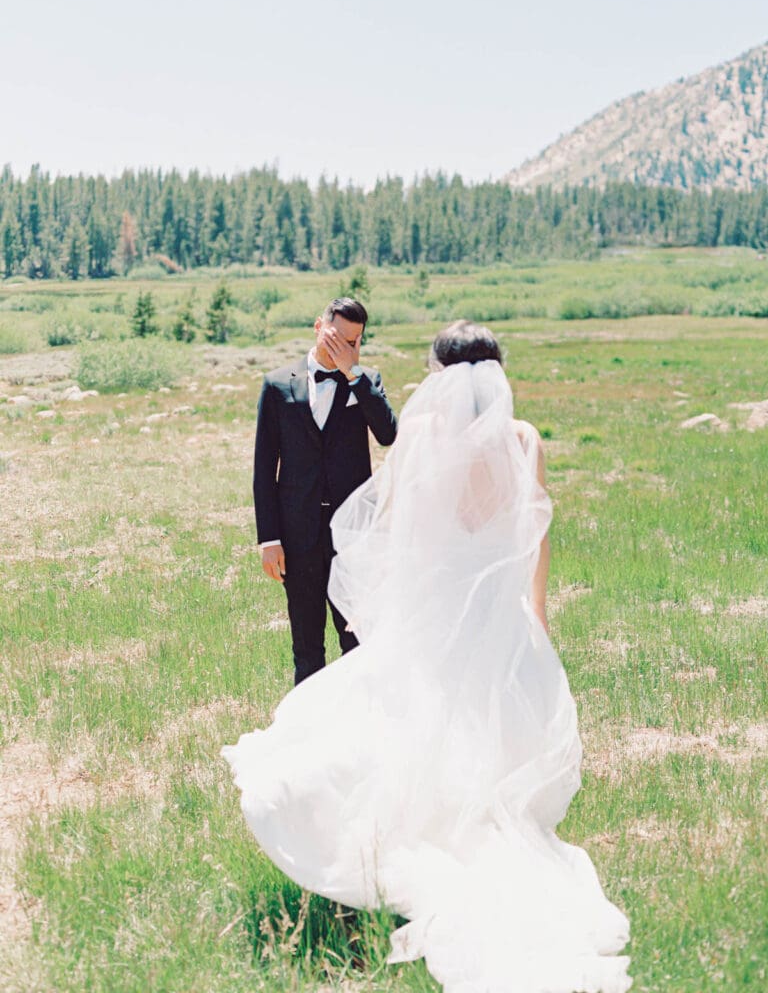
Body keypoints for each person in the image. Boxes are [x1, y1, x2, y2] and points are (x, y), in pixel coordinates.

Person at [225, 320, 631, 993]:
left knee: (411, 724)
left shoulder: (419, 438)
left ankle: (419, 833)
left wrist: (387, 610)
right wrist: (538, 613)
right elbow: (536, 536)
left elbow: (396, 533)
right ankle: (471, 826)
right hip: (501, 616)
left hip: (437, 611)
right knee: (487, 729)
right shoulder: (523, 441)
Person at [253, 296, 397, 685]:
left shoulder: (366, 381)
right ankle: (309, 739)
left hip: (353, 538)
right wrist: (269, 538)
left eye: (355, 342)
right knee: (307, 651)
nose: (346, 348)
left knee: (358, 643)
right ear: (319, 327)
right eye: (339, 337)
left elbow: (388, 434)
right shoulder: (278, 384)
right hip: (298, 537)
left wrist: (354, 374)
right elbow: (264, 469)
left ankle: (364, 730)